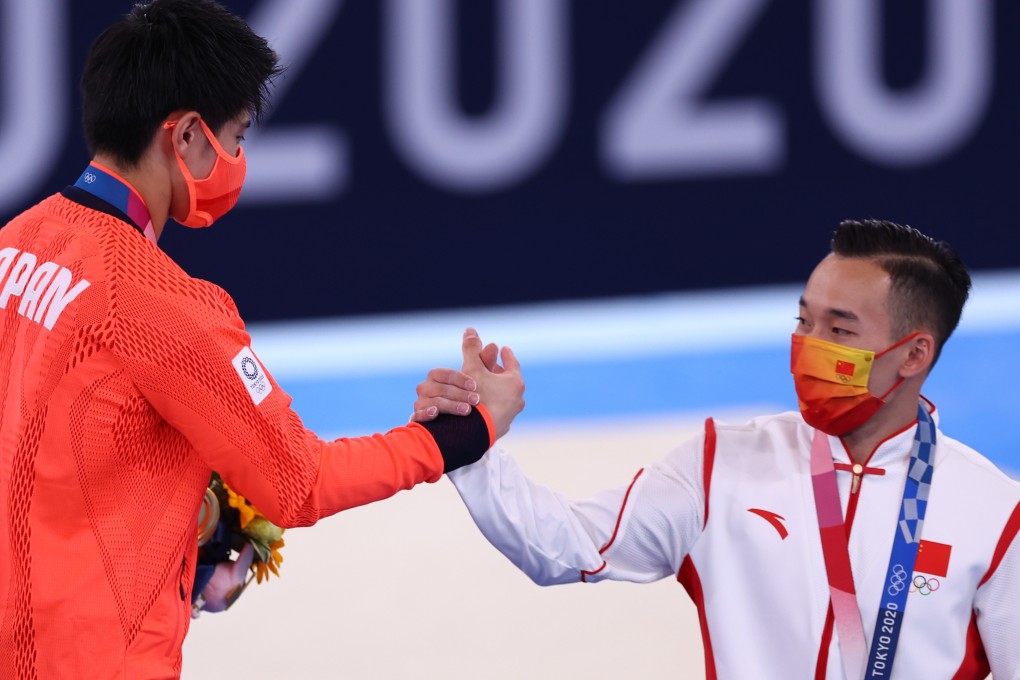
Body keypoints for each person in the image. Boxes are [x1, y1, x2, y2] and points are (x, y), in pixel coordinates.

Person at [0, 1, 524, 678]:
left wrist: (200, 523)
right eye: (237, 138)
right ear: (186, 135)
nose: (239, 160)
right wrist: (468, 431)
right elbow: (299, 484)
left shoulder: (15, 244)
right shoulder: (168, 307)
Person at [416, 220, 1020, 679]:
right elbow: (564, 547)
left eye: (839, 331)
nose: (807, 345)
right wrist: (474, 441)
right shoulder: (720, 464)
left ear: (914, 355)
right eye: (803, 321)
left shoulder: (994, 515)